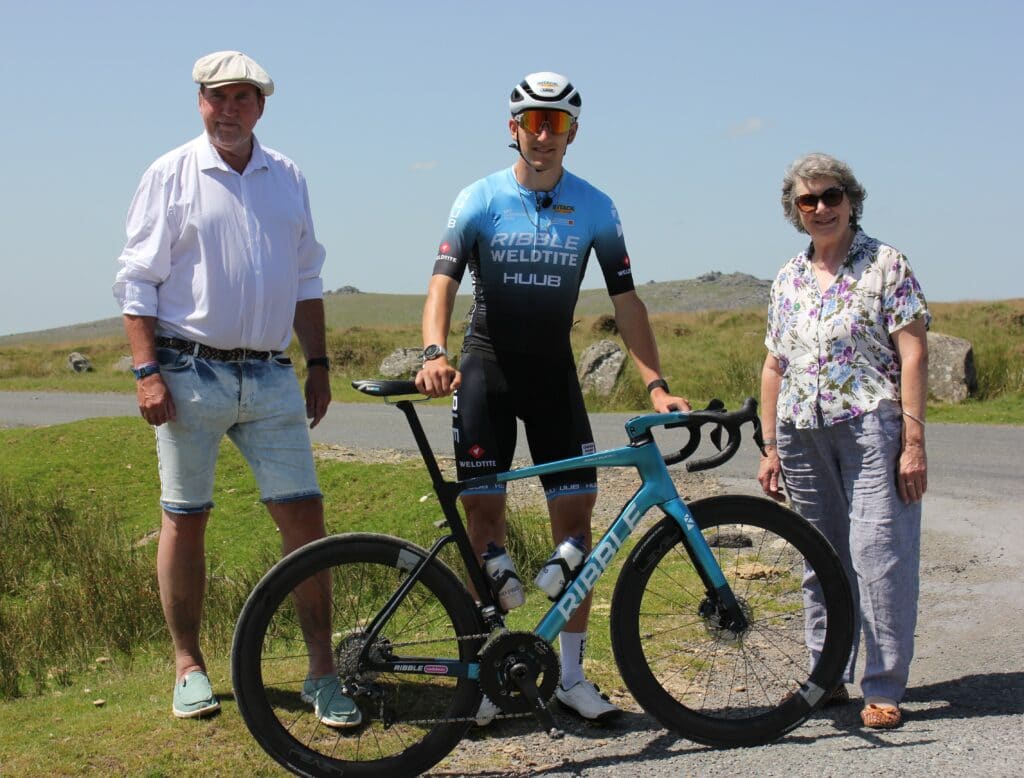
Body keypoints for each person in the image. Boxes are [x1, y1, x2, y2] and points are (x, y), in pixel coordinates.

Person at [415, 71, 689, 724]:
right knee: (484, 520)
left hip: (552, 376)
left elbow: (626, 301)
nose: (543, 135)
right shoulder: (477, 199)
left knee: (577, 526)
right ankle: (488, 675)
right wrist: (433, 352)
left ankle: (569, 676)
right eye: (532, 122)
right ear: (513, 128)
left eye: (556, 123)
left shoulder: (595, 206)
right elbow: (441, 284)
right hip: (487, 370)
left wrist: (655, 381)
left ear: (573, 132)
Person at [113, 51, 359, 727]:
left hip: (273, 374)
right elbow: (137, 281)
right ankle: (189, 667)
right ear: (200, 101)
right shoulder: (171, 174)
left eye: (244, 98)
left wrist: (318, 364)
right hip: (189, 370)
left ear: (261, 107)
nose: (230, 109)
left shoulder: (288, 177)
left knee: (305, 524)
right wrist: (146, 371)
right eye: (219, 97)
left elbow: (307, 277)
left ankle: (322, 672)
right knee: (185, 518)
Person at [757, 152, 929, 730]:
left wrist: (913, 441)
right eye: (809, 200)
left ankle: (881, 686)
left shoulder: (885, 263)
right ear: (795, 211)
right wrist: (770, 446)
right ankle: (826, 675)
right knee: (820, 558)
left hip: (870, 424)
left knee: (879, 554)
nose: (822, 208)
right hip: (801, 431)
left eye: (832, 196)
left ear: (852, 199)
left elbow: (913, 352)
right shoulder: (789, 276)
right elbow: (775, 364)